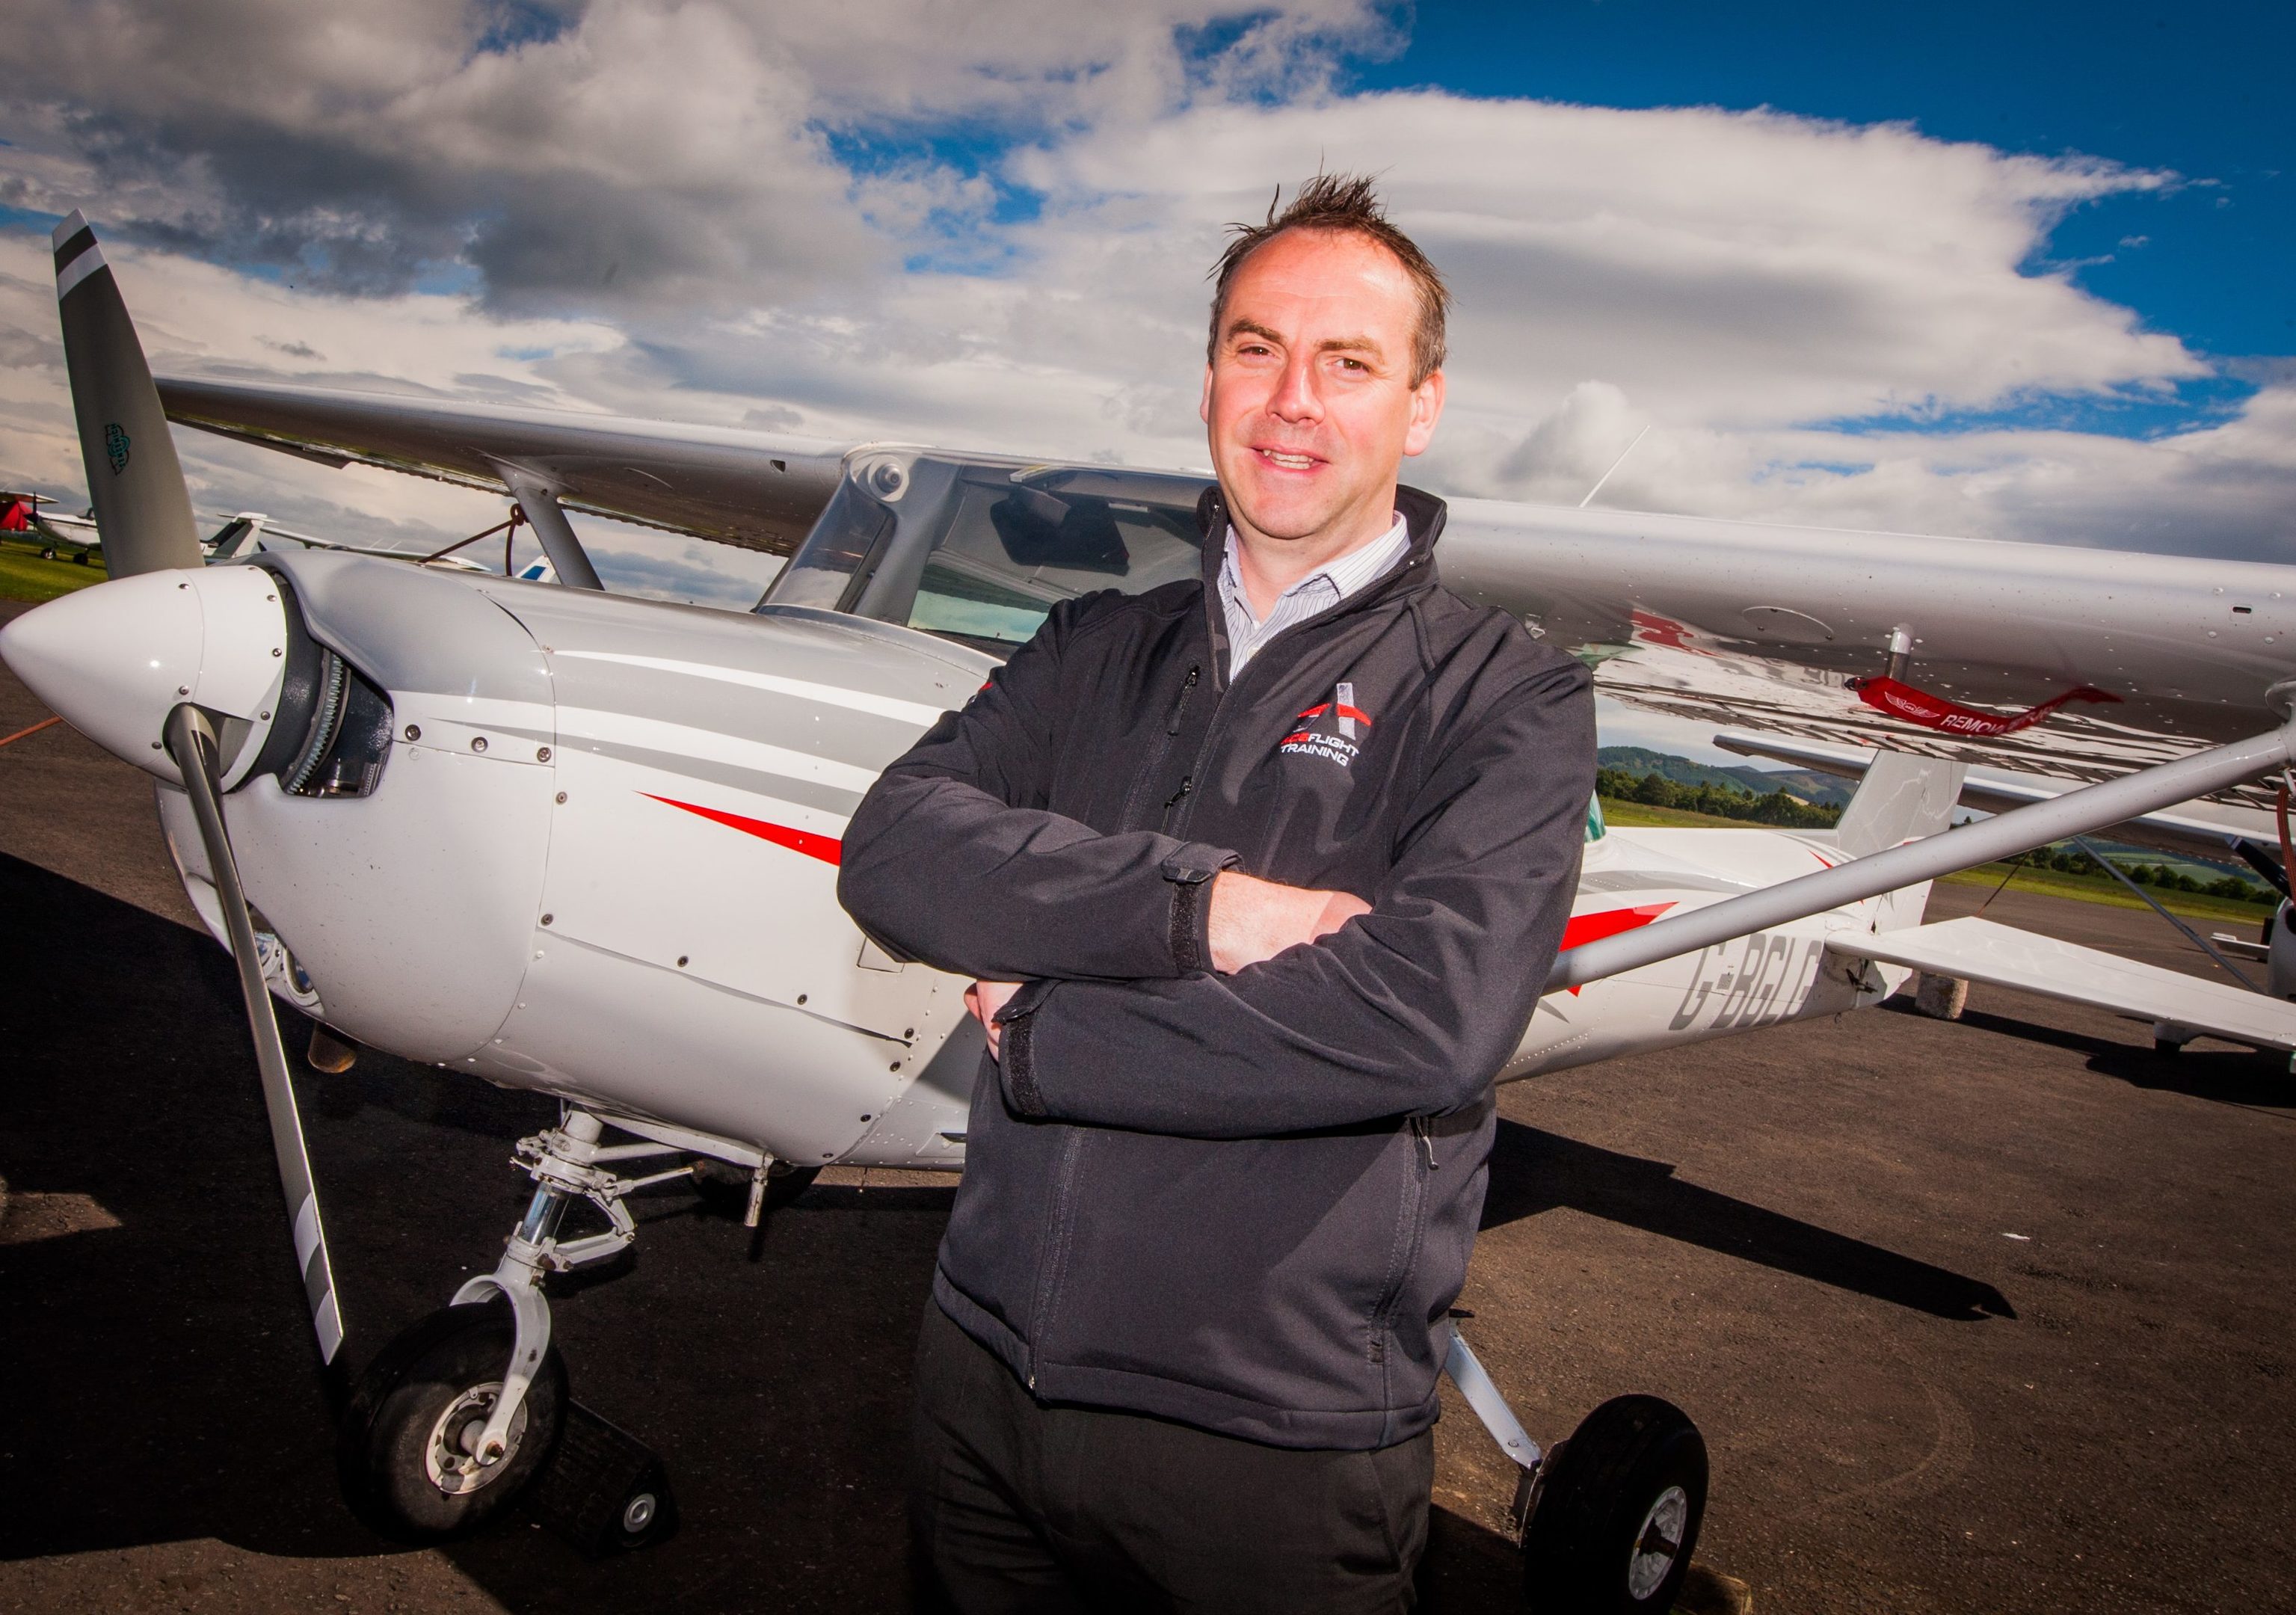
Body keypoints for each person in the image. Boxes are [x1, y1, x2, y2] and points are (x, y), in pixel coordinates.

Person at [837, 173, 1595, 1613]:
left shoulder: (1513, 694)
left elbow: (1424, 1018)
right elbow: (893, 848)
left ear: (1421, 407)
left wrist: (1052, 1034)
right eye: (1258, 348)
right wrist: (1207, 909)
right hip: (978, 1383)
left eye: (1349, 362)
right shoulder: (1092, 643)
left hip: (1274, 1441)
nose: (1292, 399)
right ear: (1207, 382)